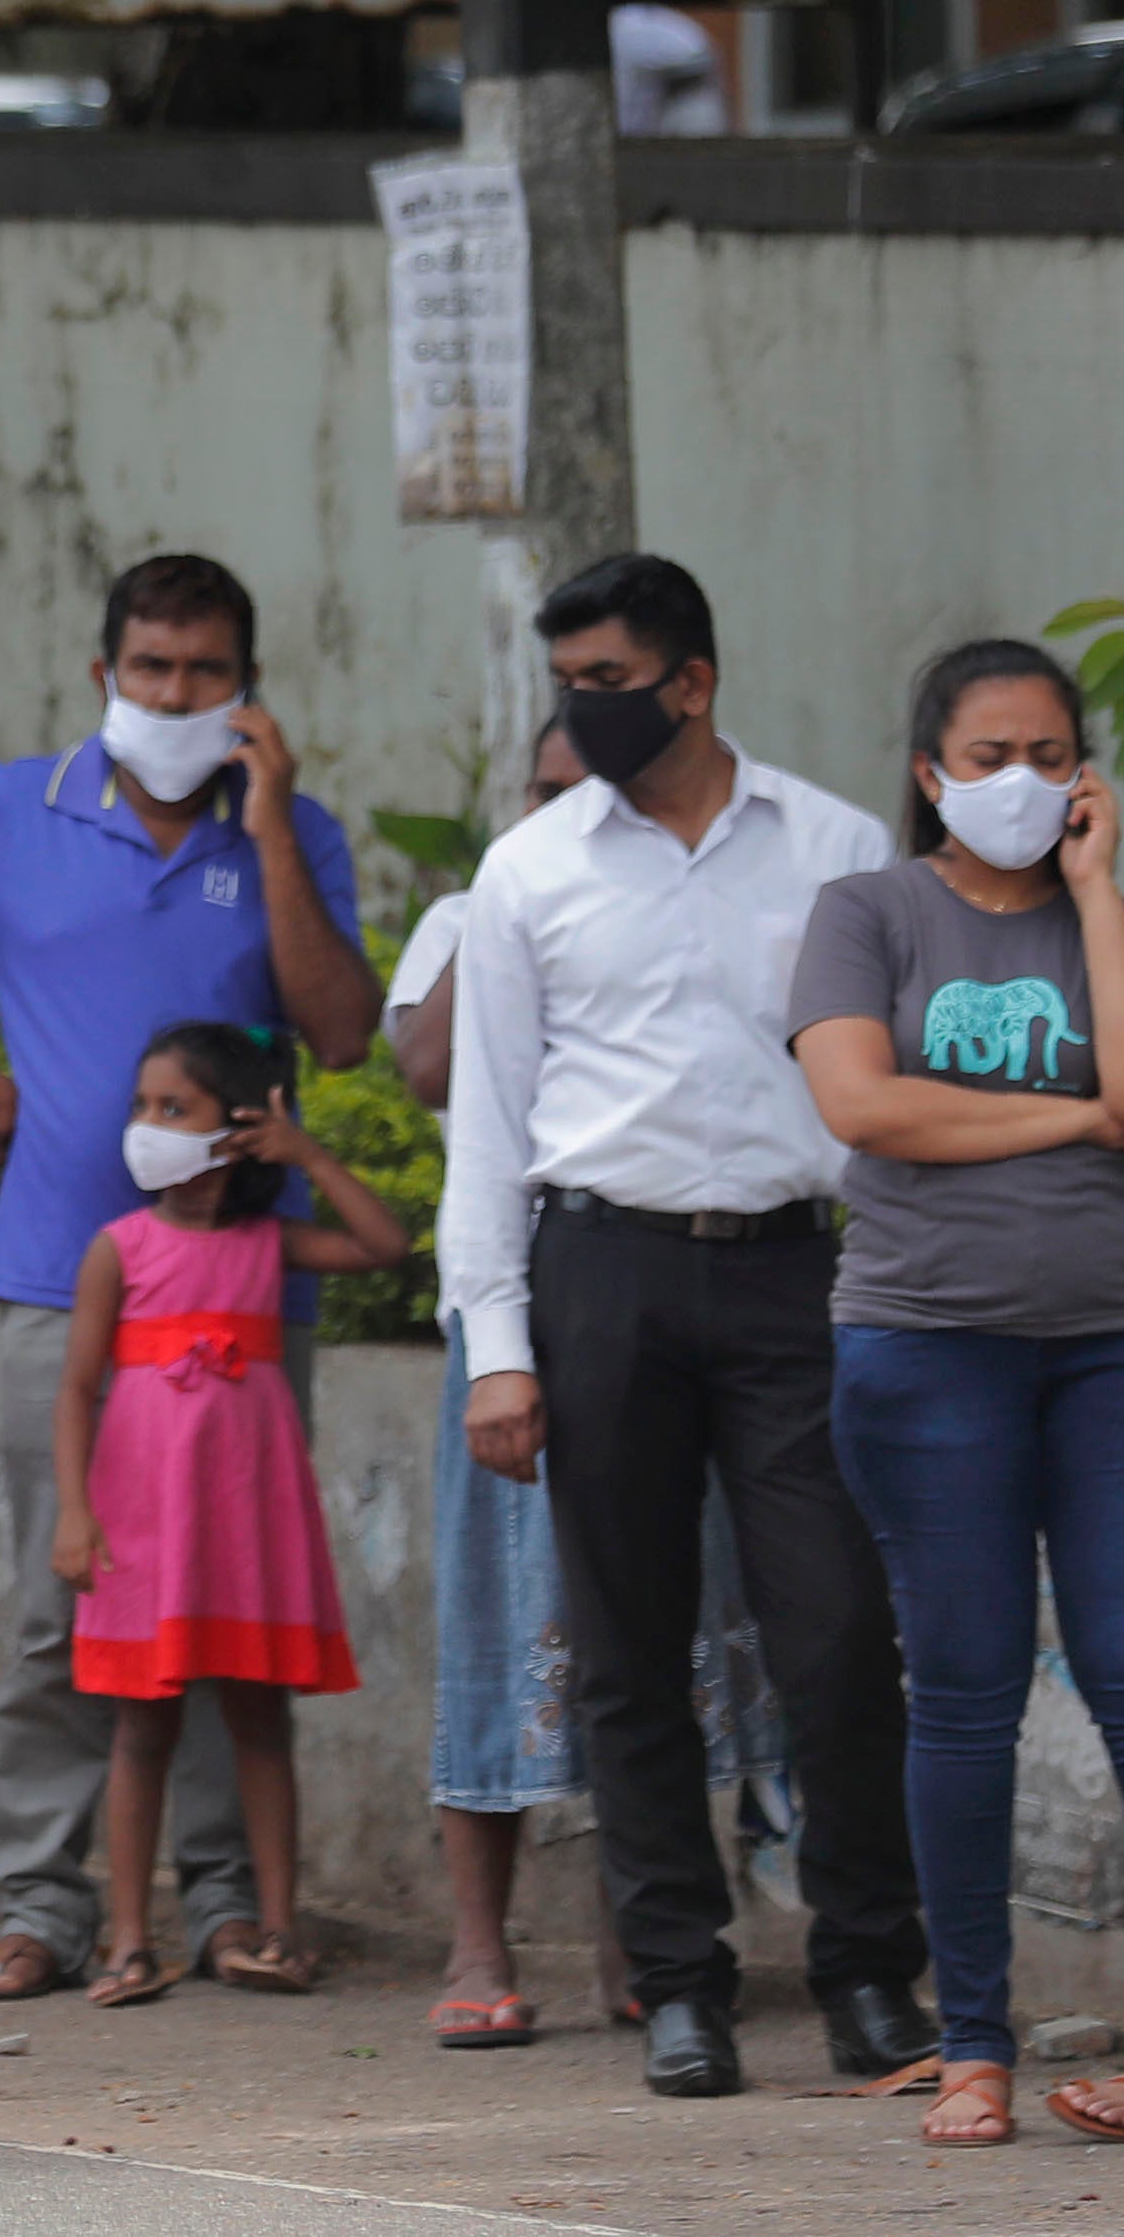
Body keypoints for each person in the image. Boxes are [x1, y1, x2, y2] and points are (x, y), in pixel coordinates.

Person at [0, 553, 375, 2005]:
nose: (178, 695)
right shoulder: (4, 812)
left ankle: (230, 1905)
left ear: (248, 688)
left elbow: (344, 1031)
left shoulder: (292, 829)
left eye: (207, 672)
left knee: (229, 1603)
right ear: (102, 674)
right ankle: (42, 1901)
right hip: (65, 1277)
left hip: (241, 1289)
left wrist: (276, 829)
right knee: (75, 1597)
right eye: (153, 668)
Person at [439, 550, 934, 2098]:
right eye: (567, 684)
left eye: (606, 681)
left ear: (690, 682)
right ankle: (677, 1984)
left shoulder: (839, 847)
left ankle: (866, 1966)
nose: (581, 711)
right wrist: (499, 1345)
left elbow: (891, 1086)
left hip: (799, 1274)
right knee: (627, 1648)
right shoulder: (531, 869)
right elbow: (486, 1119)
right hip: (602, 1271)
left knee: (839, 1632)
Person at [792, 641, 1124, 2147]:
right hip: (925, 1347)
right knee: (966, 1692)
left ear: (1087, 776)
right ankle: (972, 2042)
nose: (1019, 782)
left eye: (1050, 754)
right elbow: (859, 1104)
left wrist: (1099, 891)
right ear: (928, 771)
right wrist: (1073, 1114)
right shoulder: (869, 912)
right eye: (985, 755)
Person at [395, 723, 797, 2050]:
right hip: (509, 1311)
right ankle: (479, 1939)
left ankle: (649, 1934)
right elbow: (427, 1070)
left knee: (657, 1618)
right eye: (545, 789)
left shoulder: (703, 893)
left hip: (650, 1301)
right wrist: (509, 901)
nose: (572, 809)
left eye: (592, 788)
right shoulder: (489, 901)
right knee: (500, 1611)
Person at [53, 1024, 410, 2003]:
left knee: (261, 1721)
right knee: (142, 1729)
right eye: (142, 1105)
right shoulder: (117, 1248)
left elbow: (385, 1243)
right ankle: (130, 1937)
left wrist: (310, 1155)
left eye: (176, 1107)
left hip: (247, 1519)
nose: (149, 1124)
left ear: (242, 1125)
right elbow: (79, 1387)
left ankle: (281, 1927)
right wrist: (74, 1513)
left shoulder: (268, 1243)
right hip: (143, 1518)